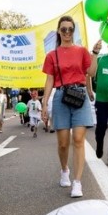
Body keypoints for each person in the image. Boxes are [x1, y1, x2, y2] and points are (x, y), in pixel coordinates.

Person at [40, 15, 97, 198]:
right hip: (61, 97)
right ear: (59, 31)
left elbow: (91, 73)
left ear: (74, 31)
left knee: (79, 139)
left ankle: (77, 182)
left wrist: (94, 54)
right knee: (63, 143)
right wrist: (44, 103)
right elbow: (49, 79)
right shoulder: (52, 55)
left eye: (70, 29)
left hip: (79, 96)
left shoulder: (82, 51)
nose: (66, 32)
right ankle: (65, 169)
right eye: (63, 29)